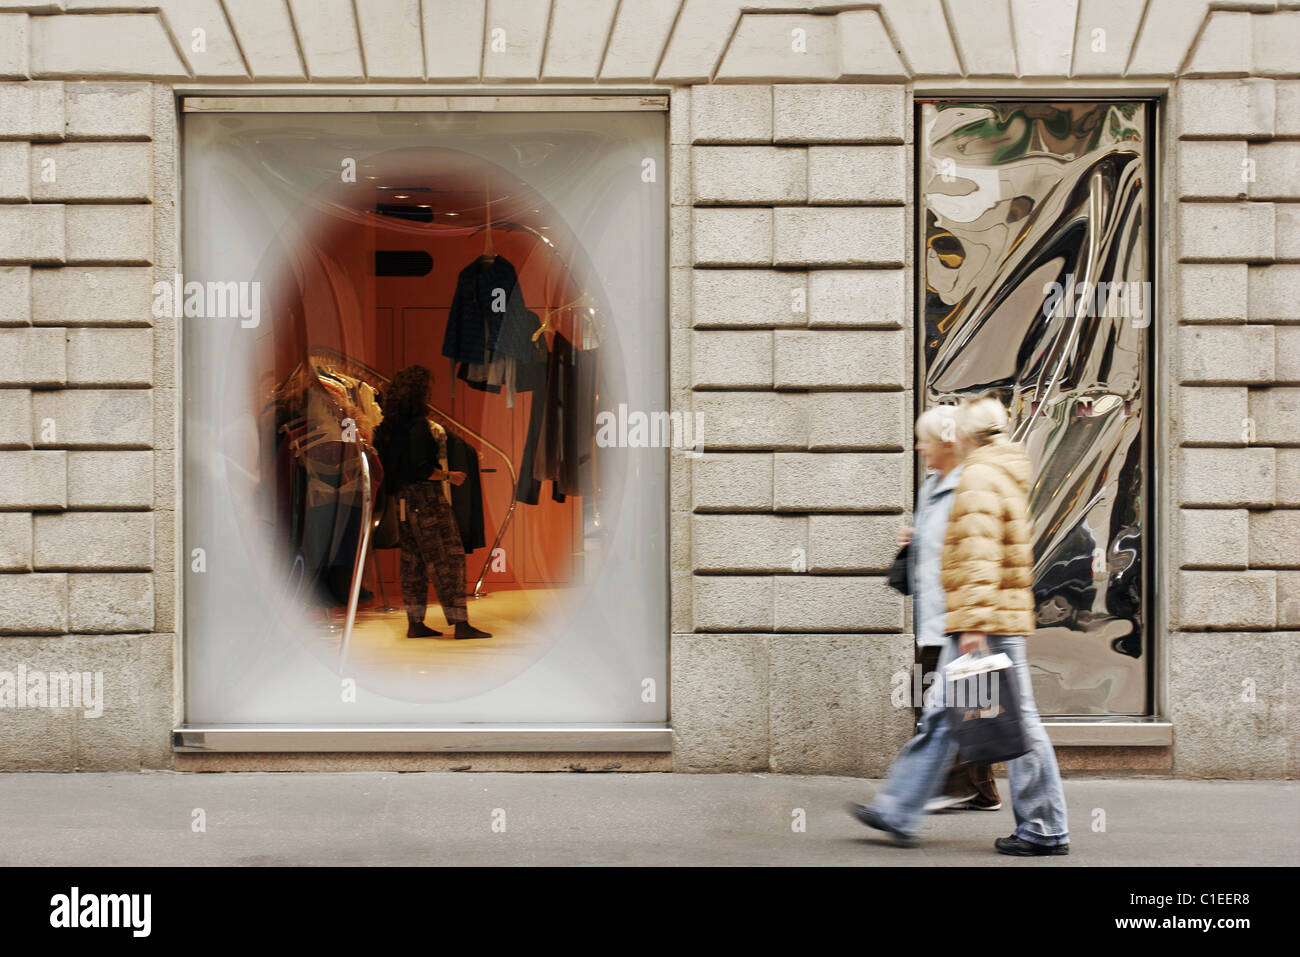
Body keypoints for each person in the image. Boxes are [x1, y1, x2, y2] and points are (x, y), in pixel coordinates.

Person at [850, 396, 1069, 855]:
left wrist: (972, 627)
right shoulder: (1004, 469)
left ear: (966, 436)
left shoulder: (978, 477)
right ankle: (899, 809)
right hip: (989, 618)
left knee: (1017, 722)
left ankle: (1045, 827)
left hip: (982, 623)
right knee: (944, 719)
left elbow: (980, 557)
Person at [901, 406, 1002, 813]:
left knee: (960, 708)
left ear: (946, 442)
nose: (918, 446)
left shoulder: (969, 484)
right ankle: (977, 789)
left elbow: (975, 552)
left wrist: (973, 621)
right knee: (942, 703)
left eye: (923, 438)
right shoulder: (931, 485)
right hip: (931, 616)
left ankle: (936, 790)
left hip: (956, 617)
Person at [373, 365, 491, 641]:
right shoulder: (419, 427)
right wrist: (450, 476)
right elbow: (421, 468)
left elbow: (391, 469)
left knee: (412, 563)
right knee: (448, 559)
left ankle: (415, 623)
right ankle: (460, 624)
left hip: (401, 500)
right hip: (427, 499)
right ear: (419, 393)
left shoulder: (386, 428)